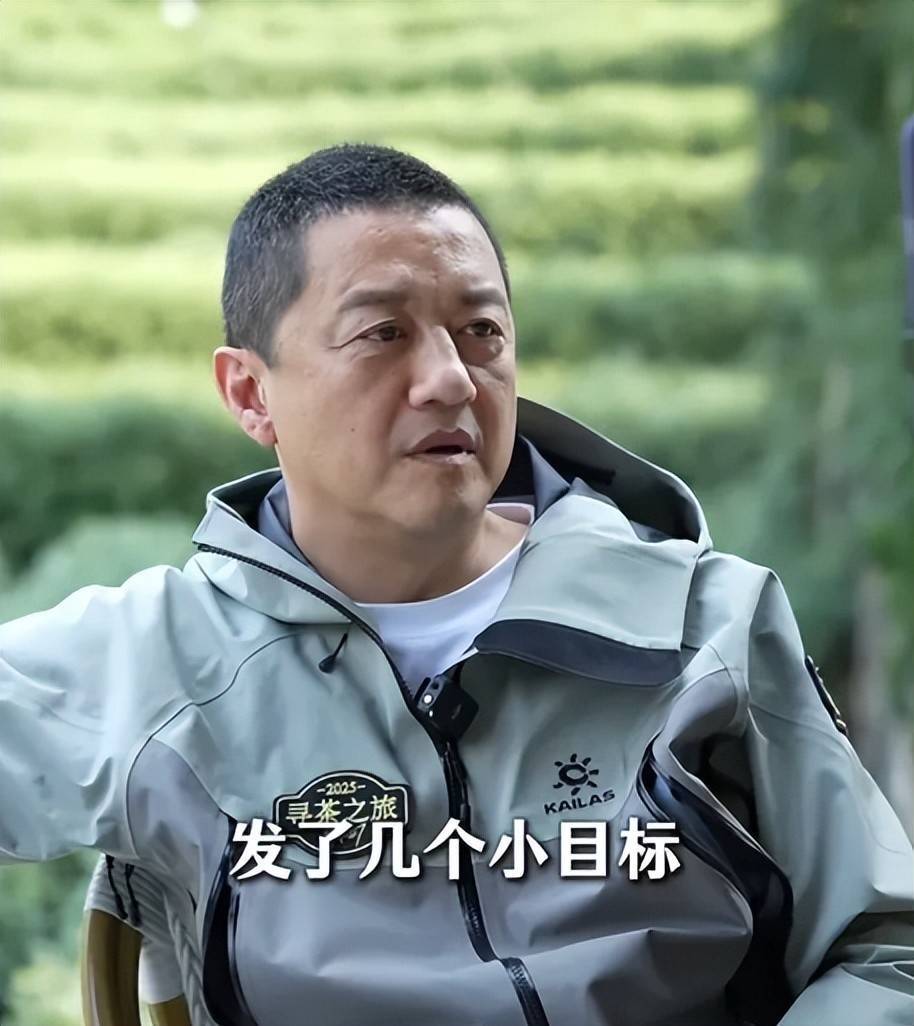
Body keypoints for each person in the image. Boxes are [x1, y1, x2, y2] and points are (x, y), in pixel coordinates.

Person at [2, 142, 912, 1026]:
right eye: (382, 334)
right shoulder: (157, 660)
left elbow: (884, 949)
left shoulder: (705, 627)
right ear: (250, 393)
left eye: (482, 332)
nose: (449, 380)